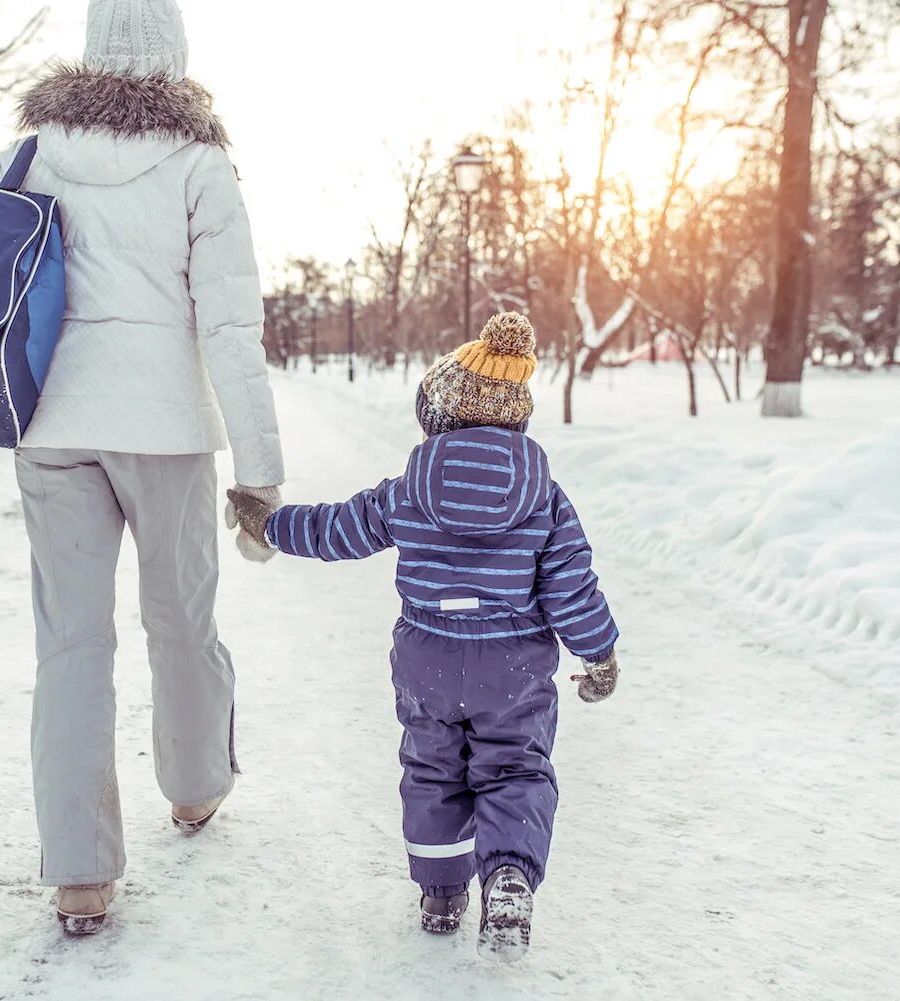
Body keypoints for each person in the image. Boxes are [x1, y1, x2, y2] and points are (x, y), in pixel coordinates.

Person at [0, 0, 284, 936]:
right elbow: (231, 330)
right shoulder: (199, 168)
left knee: (70, 642)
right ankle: (194, 788)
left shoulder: (27, 155)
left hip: (54, 427)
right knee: (180, 617)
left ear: (91, 54)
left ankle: (78, 874)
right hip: (165, 433)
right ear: (176, 57)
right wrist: (260, 472)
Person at [227, 313, 622, 964]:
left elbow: (338, 530)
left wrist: (271, 524)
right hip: (513, 667)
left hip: (428, 661)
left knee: (432, 770)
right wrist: (599, 651)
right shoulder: (544, 497)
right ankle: (510, 877)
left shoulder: (409, 488)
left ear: (438, 416)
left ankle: (441, 895)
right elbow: (571, 586)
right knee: (515, 767)